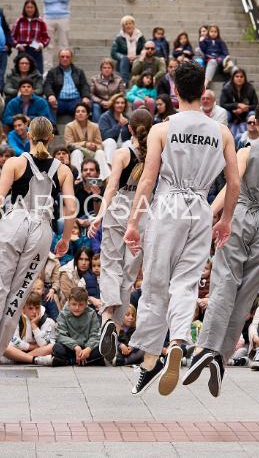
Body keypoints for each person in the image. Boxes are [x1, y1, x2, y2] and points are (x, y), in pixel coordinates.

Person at [123, 60, 239, 396]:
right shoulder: (222, 132)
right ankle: (177, 340)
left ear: (175, 91)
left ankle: (150, 360)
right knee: (186, 283)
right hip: (201, 207)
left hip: (169, 204)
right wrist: (226, 220)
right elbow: (234, 183)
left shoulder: (162, 129)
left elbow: (147, 180)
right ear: (203, 91)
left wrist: (133, 222)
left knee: (156, 283)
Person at [183, 100, 259, 396]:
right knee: (247, 292)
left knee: (225, 281)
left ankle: (205, 349)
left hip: (240, 217)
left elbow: (231, 188)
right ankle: (222, 356)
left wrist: (213, 215)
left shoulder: (247, 150)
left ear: (257, 122)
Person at [0, 117, 75, 383]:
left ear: (29, 136)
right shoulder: (63, 170)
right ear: (51, 138)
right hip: (42, 230)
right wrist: (66, 238)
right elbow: (70, 208)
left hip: (15, 222)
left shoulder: (15, 162)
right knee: (16, 298)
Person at [87, 109, 152, 363]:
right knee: (128, 276)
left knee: (110, 266)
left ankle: (106, 320)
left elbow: (112, 186)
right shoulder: (156, 155)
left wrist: (100, 215)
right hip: (143, 212)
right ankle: (114, 325)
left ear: (130, 128)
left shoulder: (123, 153)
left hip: (120, 209)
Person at [51, 287, 103, 366]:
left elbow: (95, 335)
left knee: (101, 349)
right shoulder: (63, 314)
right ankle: (83, 361)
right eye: (74, 304)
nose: (77, 308)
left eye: (81, 305)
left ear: (86, 303)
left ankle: (70, 361)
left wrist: (88, 348)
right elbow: (60, 335)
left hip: (87, 348)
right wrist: (75, 346)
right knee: (57, 348)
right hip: (71, 348)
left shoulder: (91, 314)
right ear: (69, 302)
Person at [40, 0, 75, 72]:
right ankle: (47, 71)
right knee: (48, 46)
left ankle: (64, 70)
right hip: (48, 17)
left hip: (63, 17)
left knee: (64, 46)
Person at [43, 48, 91, 118]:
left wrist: (85, 96)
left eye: (67, 57)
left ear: (71, 58)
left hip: (75, 101)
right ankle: (52, 124)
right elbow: (47, 85)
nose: (65, 59)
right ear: (59, 58)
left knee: (88, 104)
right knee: (45, 103)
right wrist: (50, 95)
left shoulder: (79, 71)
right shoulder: (52, 72)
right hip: (58, 101)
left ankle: (81, 125)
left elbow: (84, 85)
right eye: (62, 57)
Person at [64, 102, 109, 175]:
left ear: (88, 114)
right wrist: (85, 144)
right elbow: (69, 144)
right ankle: (78, 178)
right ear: (75, 115)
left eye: (83, 111)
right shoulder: (69, 126)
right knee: (77, 152)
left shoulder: (95, 126)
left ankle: (102, 178)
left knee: (100, 152)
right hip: (77, 152)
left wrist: (94, 146)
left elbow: (100, 144)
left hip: (92, 153)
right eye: (78, 111)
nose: (80, 113)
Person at [11, 0, 50, 74]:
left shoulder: (40, 21)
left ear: (35, 8)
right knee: (21, 74)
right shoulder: (19, 21)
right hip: (23, 50)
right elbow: (12, 36)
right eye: (28, 7)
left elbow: (47, 37)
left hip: (36, 51)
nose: (29, 9)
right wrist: (17, 45)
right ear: (24, 8)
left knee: (37, 73)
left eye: (32, 7)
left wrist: (41, 45)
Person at [219, 68, 258, 140]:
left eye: (241, 76)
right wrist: (237, 105)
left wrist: (245, 109)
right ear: (233, 78)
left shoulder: (250, 89)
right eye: (237, 76)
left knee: (252, 114)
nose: (239, 78)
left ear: (244, 78)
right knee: (225, 113)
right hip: (231, 113)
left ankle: (251, 136)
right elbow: (222, 104)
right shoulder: (226, 88)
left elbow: (256, 105)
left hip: (246, 114)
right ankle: (223, 135)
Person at [90, 59, 126, 124]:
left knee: (119, 104)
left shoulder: (119, 79)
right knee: (95, 106)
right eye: (104, 68)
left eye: (109, 68)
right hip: (99, 103)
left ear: (112, 69)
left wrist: (111, 101)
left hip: (113, 103)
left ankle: (117, 125)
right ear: (101, 69)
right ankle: (97, 126)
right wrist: (101, 102)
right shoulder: (94, 79)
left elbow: (122, 93)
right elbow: (91, 94)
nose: (107, 70)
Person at [111, 16, 145, 84]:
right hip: (124, 62)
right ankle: (125, 83)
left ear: (133, 25)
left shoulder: (140, 36)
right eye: (126, 24)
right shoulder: (119, 38)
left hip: (137, 60)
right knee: (124, 59)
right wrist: (125, 57)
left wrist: (137, 56)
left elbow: (145, 49)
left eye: (130, 23)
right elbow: (113, 53)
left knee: (141, 60)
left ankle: (141, 82)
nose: (128, 26)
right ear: (123, 26)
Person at [99, 93, 131, 163]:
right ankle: (110, 166)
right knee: (111, 142)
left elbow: (129, 138)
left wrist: (130, 128)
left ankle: (127, 166)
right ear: (113, 104)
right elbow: (105, 136)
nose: (120, 105)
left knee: (128, 143)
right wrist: (119, 125)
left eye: (122, 103)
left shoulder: (127, 118)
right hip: (108, 145)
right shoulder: (105, 117)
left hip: (122, 145)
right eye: (117, 103)